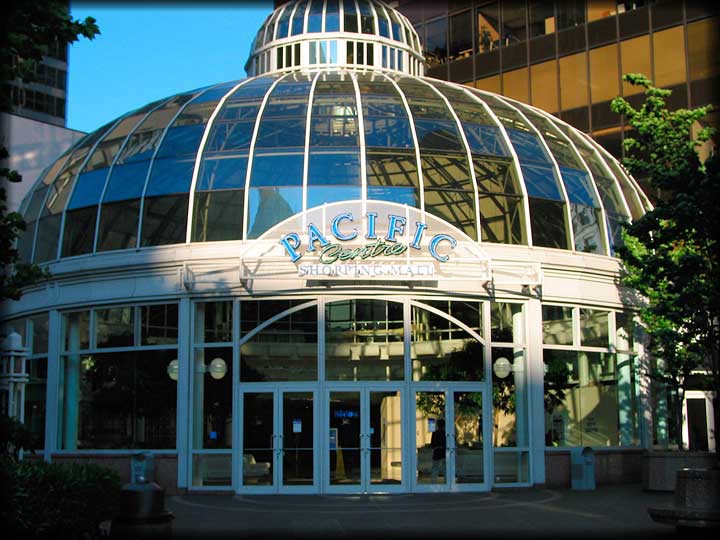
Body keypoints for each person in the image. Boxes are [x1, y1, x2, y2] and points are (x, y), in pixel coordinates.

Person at [430, 418, 446, 483]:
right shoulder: (445, 433)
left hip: (437, 452)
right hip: (444, 452)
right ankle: (447, 482)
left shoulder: (435, 433)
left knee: (435, 468)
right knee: (445, 469)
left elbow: (432, 444)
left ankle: (433, 482)